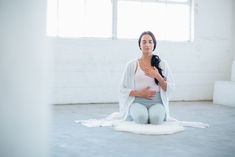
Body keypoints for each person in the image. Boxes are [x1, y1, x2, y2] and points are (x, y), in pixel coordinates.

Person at [118, 31, 175, 125]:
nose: (147, 45)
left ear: (154, 45)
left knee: (156, 119)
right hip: (137, 101)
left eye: (150, 42)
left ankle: (153, 114)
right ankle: (139, 113)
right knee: (141, 118)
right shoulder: (132, 65)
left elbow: (169, 88)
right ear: (140, 45)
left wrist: (157, 76)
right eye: (144, 42)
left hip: (157, 102)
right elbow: (122, 89)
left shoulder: (162, 64)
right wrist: (141, 93)